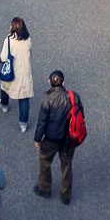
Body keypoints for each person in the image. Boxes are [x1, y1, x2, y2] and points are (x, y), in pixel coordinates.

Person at [33, 70, 83, 205]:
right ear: (63, 82)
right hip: (68, 139)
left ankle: (45, 188)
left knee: (45, 161)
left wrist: (37, 139)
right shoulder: (74, 97)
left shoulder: (47, 100)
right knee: (66, 165)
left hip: (51, 139)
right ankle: (66, 195)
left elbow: (41, 122)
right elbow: (81, 114)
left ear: (49, 83)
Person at [0, 17, 34, 131]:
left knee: (4, 87)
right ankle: (23, 124)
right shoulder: (28, 39)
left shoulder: (9, 40)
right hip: (25, 73)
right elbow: (30, 53)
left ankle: (4, 105)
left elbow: (3, 58)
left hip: (12, 72)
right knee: (23, 98)